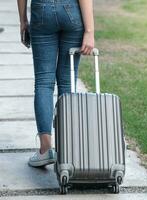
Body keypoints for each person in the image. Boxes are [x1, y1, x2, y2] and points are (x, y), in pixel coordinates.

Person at [17, 0, 94, 167]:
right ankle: (68, 150)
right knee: (67, 82)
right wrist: (89, 31)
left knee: (44, 82)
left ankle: (45, 149)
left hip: (41, 11)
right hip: (71, 11)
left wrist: (23, 20)